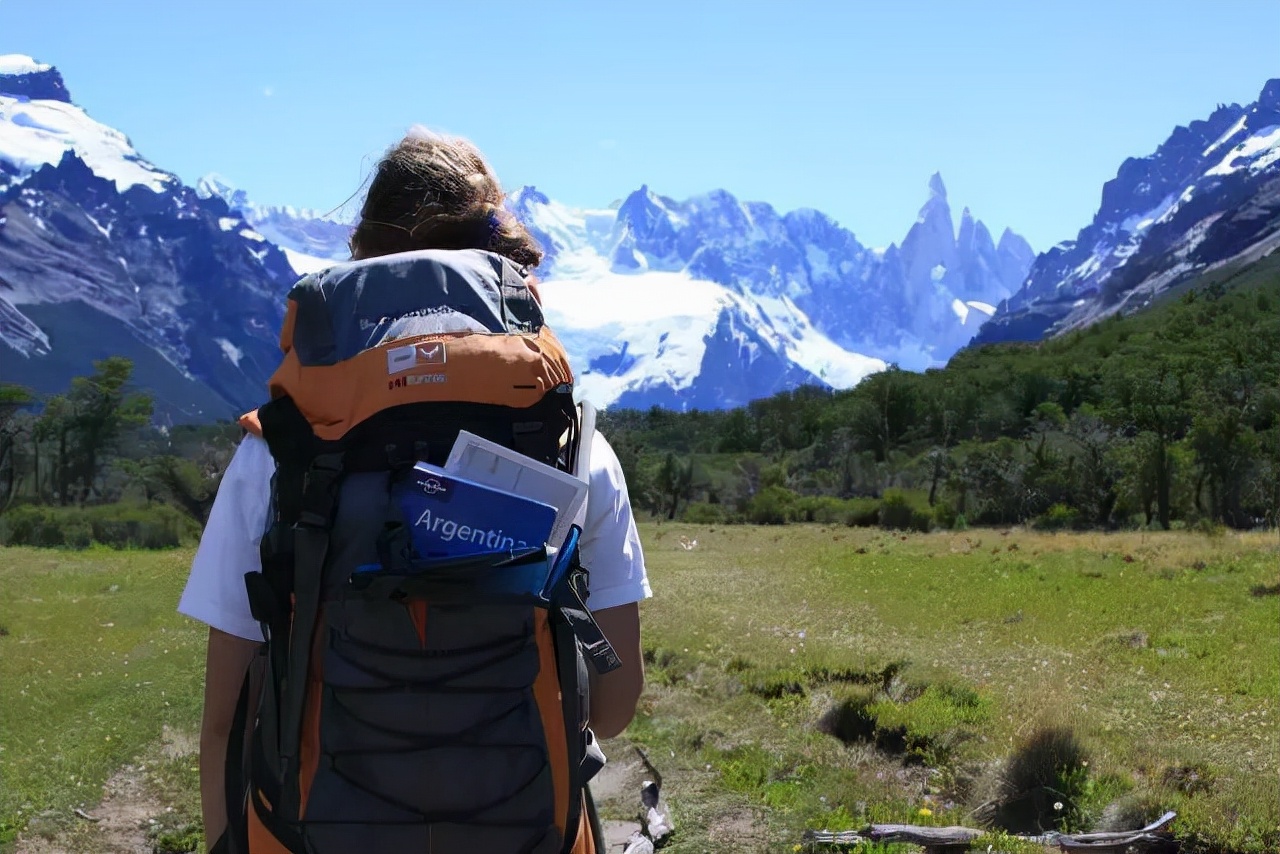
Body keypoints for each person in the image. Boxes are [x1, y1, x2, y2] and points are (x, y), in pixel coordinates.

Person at [178, 128, 651, 851]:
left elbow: (223, 723)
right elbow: (613, 707)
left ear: (365, 260)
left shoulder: (279, 449)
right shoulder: (572, 447)